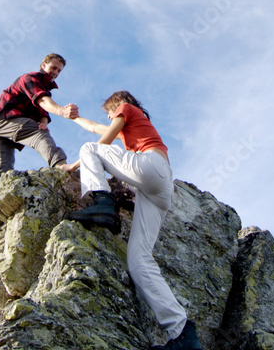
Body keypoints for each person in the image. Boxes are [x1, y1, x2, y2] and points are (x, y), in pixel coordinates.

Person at [65, 91, 202, 350]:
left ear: (117, 104)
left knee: (88, 149)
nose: (108, 116)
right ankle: (183, 333)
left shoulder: (126, 107)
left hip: (150, 167)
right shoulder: (134, 126)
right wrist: (74, 118)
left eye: (109, 111)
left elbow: (100, 143)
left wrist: (74, 166)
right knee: (139, 260)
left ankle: (102, 201)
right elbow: (96, 128)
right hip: (159, 189)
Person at [0, 53, 79, 176]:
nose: (56, 72)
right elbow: (43, 101)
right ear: (44, 65)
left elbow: (43, 111)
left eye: (59, 70)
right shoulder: (30, 78)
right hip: (1, 119)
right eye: (54, 68)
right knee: (38, 133)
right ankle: (60, 166)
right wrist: (62, 111)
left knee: (2, 167)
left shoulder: (44, 89)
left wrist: (43, 123)